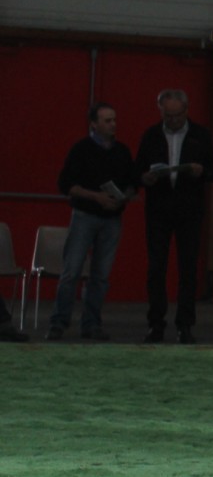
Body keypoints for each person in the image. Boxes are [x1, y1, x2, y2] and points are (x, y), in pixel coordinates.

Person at [134, 88, 213, 344]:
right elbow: (137, 169)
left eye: (177, 115)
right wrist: (144, 178)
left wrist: (200, 171)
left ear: (186, 110)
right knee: (156, 268)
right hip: (158, 210)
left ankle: (185, 324)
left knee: (188, 269)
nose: (172, 120)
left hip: (189, 210)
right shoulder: (151, 135)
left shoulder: (200, 135)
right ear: (161, 111)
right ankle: (155, 324)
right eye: (167, 115)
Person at [47, 102, 136, 342]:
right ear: (94, 124)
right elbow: (66, 185)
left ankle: (91, 323)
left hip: (111, 218)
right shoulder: (81, 150)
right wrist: (95, 196)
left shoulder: (122, 152)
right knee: (71, 271)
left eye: (114, 120)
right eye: (107, 121)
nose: (113, 125)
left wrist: (122, 199)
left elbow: (131, 183)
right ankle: (59, 321)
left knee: (101, 276)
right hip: (85, 216)